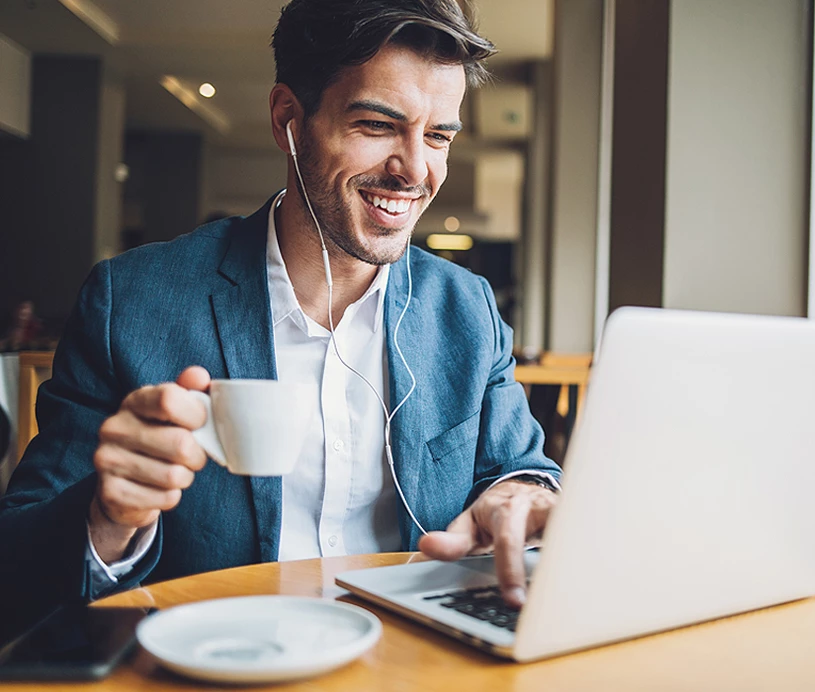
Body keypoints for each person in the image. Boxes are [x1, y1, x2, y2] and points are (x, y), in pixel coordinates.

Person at [0, 0, 561, 638]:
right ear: (288, 119)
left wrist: (527, 494)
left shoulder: (467, 308)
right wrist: (108, 515)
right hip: (215, 668)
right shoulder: (128, 300)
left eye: (438, 136)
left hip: (416, 666)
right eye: (378, 126)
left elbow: (522, 468)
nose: (416, 170)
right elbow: (16, 567)